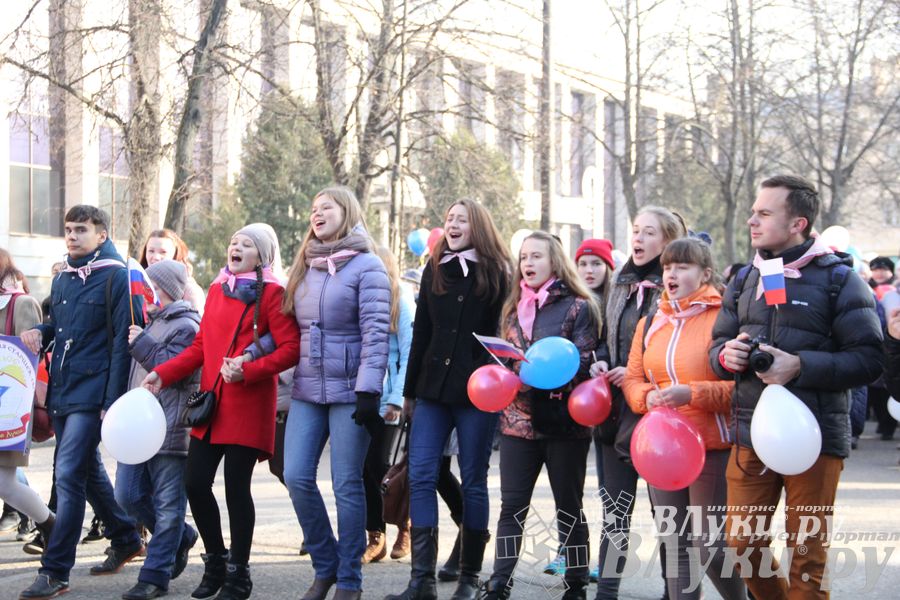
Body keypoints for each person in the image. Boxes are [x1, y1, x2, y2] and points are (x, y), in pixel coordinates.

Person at [710, 175, 883, 600]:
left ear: (798, 224)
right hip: (752, 433)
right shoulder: (746, 276)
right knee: (742, 545)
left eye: (764, 213)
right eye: (753, 211)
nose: (752, 220)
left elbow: (870, 359)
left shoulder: (841, 279)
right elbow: (717, 343)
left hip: (817, 437)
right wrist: (723, 356)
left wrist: (799, 366)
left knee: (806, 557)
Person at [142, 224, 300, 600]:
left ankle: (238, 574)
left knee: (236, 489)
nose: (236, 247)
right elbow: (201, 347)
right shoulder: (216, 289)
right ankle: (215, 561)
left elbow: (290, 348)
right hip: (210, 404)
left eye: (246, 244)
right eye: (233, 241)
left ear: (263, 255)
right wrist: (162, 374)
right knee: (195, 483)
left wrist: (249, 369)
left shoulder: (274, 293)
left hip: (248, 403)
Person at [386, 198, 511, 600]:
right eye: (449, 219)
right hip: (432, 391)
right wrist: (408, 393)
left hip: (477, 392)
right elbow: (421, 331)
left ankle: (470, 578)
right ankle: (420, 580)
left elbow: (504, 335)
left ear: (479, 227)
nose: (453, 225)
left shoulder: (497, 273)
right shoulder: (434, 270)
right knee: (422, 475)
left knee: (474, 479)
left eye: (462, 219)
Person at [19, 206, 146, 600]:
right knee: (87, 471)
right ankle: (126, 536)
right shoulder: (63, 280)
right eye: (69, 230)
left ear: (102, 235)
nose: (72, 236)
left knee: (68, 472)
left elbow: (121, 344)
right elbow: (59, 327)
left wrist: (112, 401)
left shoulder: (116, 277)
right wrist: (41, 331)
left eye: (81, 230)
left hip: (94, 393)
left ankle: (55, 569)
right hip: (63, 389)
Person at [281, 186, 390, 600]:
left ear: (347, 213)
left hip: (350, 392)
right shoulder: (305, 266)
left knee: (346, 482)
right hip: (308, 387)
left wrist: (368, 391)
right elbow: (291, 331)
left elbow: (376, 334)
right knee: (295, 475)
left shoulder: (368, 267)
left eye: (326, 207)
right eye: (313, 208)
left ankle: (348, 580)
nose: (317, 213)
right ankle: (325, 566)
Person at [621, 238, 746, 600]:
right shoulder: (651, 321)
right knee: (675, 548)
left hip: (713, 447)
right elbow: (632, 379)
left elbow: (740, 390)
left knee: (711, 547)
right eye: (667, 267)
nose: (671, 274)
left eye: (682, 267)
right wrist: (647, 398)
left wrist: (691, 394)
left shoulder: (724, 318)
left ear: (705, 273)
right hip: (662, 450)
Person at [481, 231, 600, 600]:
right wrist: (506, 369)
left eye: (536, 257)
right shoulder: (512, 306)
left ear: (555, 262)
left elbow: (582, 360)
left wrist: (533, 374)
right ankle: (500, 582)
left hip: (563, 422)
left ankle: (576, 583)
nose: (527, 264)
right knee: (512, 507)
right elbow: (500, 360)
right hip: (517, 421)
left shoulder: (580, 306)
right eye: (524, 258)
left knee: (569, 506)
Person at [591, 205, 685, 600]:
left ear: (668, 241)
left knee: (669, 516)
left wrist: (637, 376)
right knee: (614, 510)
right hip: (615, 411)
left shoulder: (679, 288)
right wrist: (600, 359)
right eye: (636, 231)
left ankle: (674, 591)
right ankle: (606, 592)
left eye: (649, 233)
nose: (639, 239)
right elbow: (604, 335)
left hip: (663, 414)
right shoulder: (620, 283)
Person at [114, 260, 202, 600]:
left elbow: (174, 370)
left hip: (170, 429)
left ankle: (154, 576)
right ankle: (181, 535)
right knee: (127, 495)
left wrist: (143, 343)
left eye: (152, 287)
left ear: (165, 289)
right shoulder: (148, 323)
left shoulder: (187, 325)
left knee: (168, 506)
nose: (146, 294)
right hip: (137, 430)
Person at [0, 252, 55, 552]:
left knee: (5, 484)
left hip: (11, 408)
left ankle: (51, 525)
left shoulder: (21, 303)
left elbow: (28, 358)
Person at [362, 246, 414, 563]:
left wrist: (397, 398)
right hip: (362, 398)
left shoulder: (401, 301)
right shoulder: (360, 300)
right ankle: (375, 536)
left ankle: (403, 527)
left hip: (389, 402)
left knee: (380, 467)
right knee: (364, 469)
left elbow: (410, 353)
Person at [139, 229, 206, 313]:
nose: (156, 257)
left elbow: (194, 324)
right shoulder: (139, 285)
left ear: (175, 255)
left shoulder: (190, 291)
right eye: (151, 251)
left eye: (163, 252)